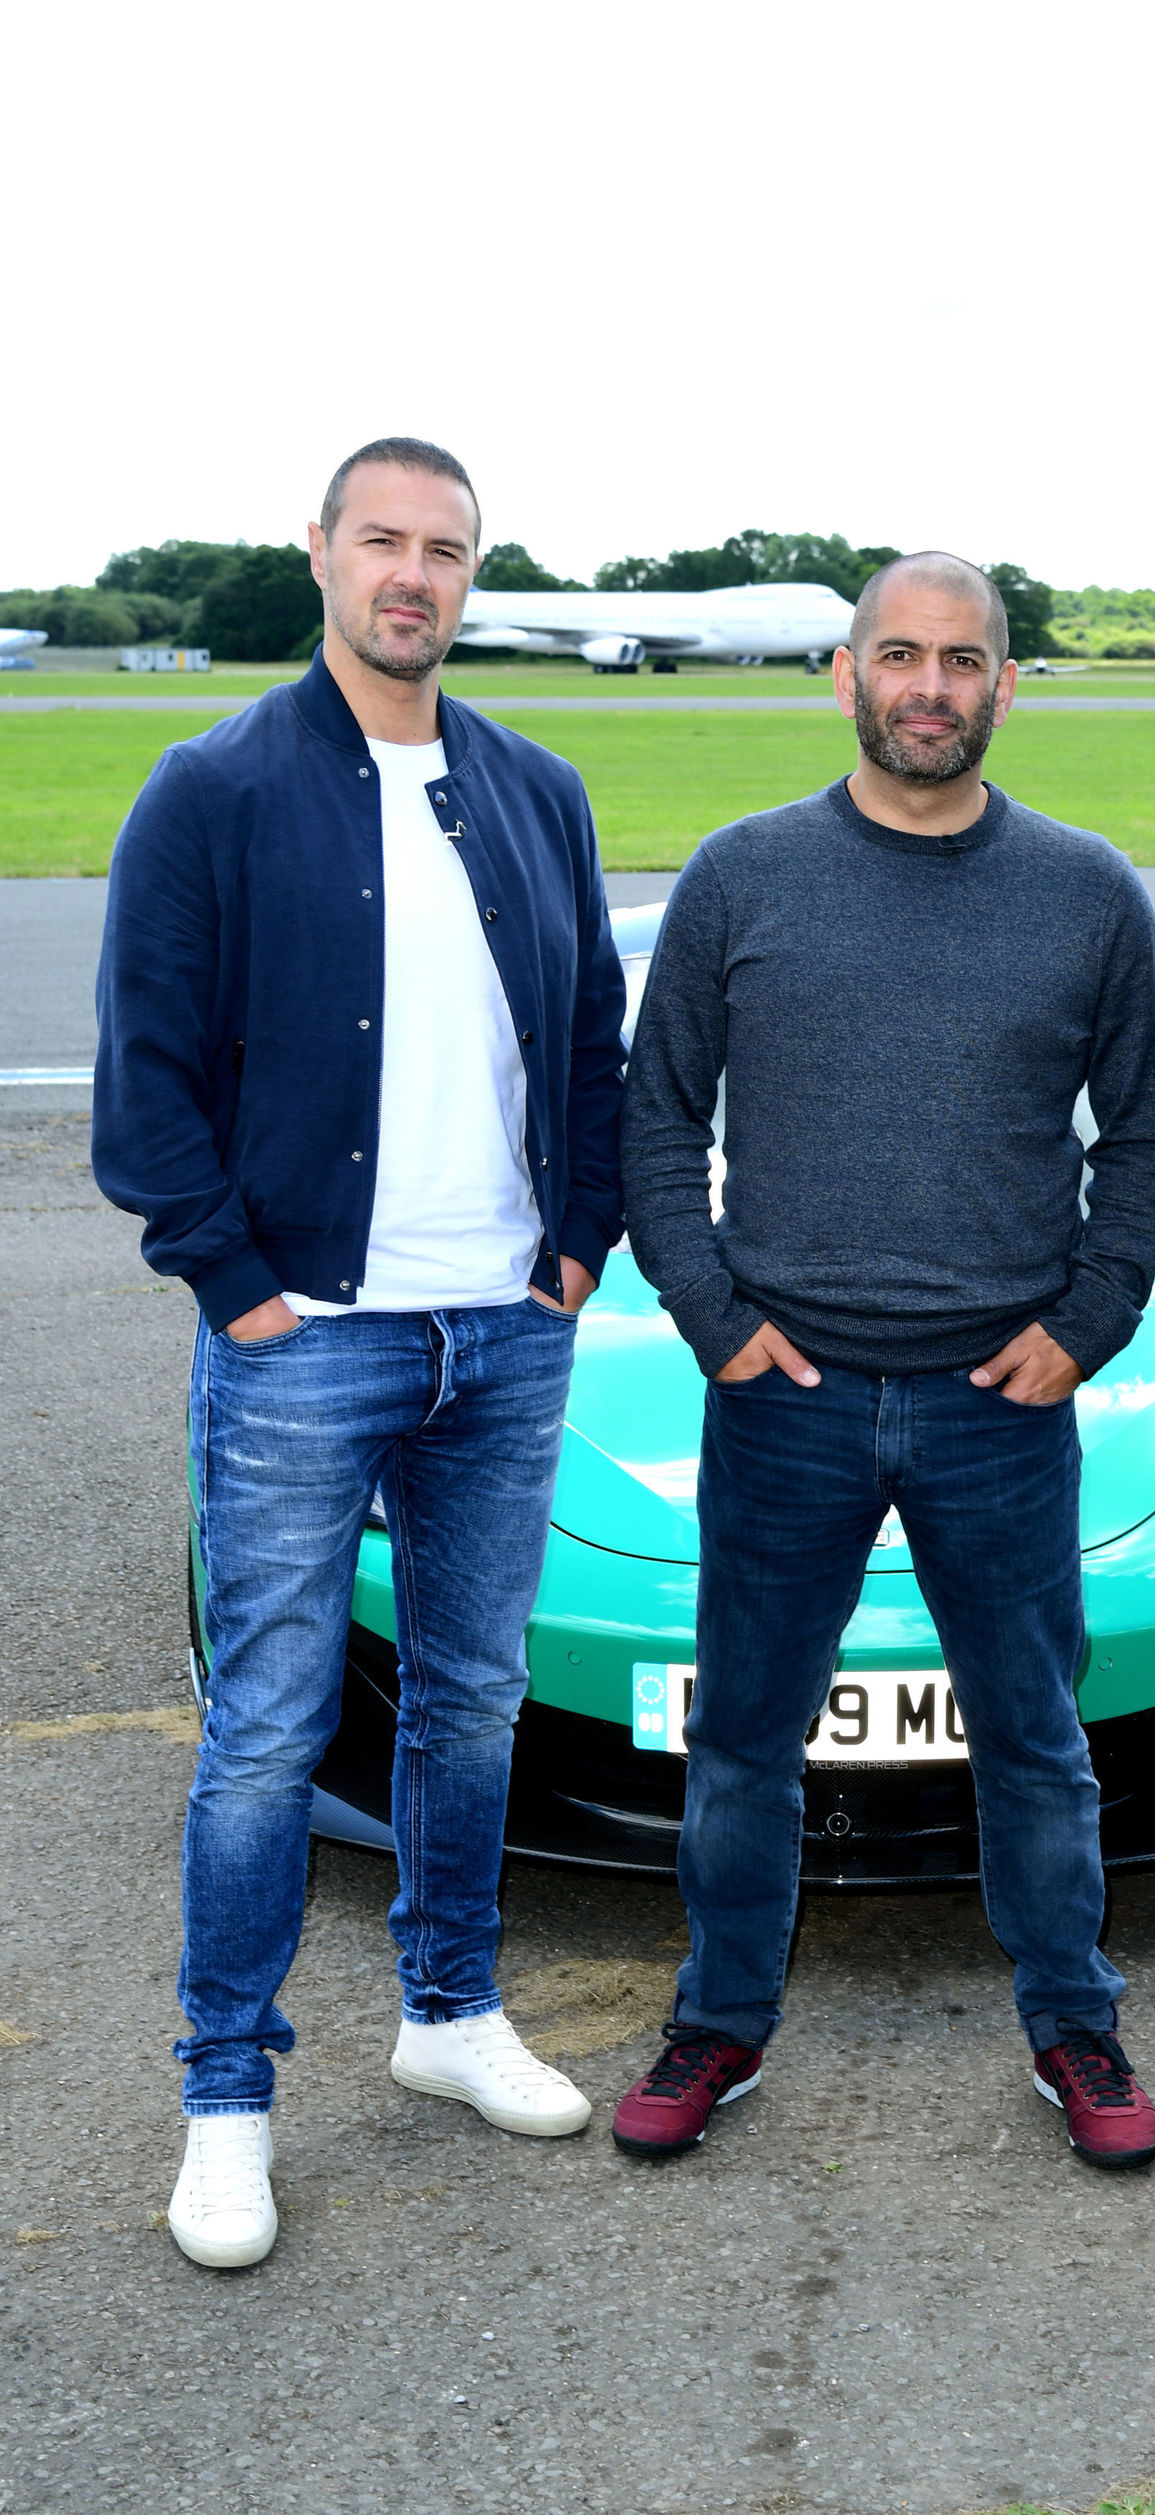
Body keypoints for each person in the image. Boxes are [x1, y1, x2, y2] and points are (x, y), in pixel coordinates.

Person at [94, 437, 628, 2269]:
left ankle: (449, 2011)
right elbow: (143, 1083)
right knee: (268, 1731)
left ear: (474, 576)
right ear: (319, 553)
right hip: (307, 1332)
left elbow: (590, 1051)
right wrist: (235, 1281)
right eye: (384, 541)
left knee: (474, 1700)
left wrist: (572, 1256)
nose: (416, 575)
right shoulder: (215, 788)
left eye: (449, 551)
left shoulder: (536, 789)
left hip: (506, 1325)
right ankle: (226, 2097)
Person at [617, 553, 1155, 2169]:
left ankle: (1074, 2024)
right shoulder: (742, 876)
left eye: (962, 660)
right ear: (845, 674)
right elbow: (657, 1115)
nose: (929, 686)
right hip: (785, 1401)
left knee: (1034, 1737)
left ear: (1007, 686)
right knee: (743, 1738)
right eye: (899, 656)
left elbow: (1144, 1136)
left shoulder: (1084, 891)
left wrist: (1087, 1326)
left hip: (995, 1408)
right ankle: (719, 2023)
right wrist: (716, 1319)